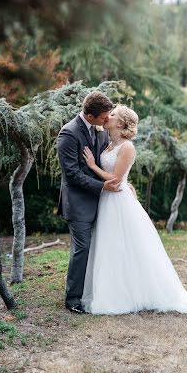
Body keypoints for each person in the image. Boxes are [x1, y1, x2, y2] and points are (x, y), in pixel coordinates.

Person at [81, 104, 187, 315]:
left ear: (120, 123)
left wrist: (93, 166)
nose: (107, 117)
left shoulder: (127, 147)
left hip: (119, 202)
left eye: (112, 114)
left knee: (126, 247)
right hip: (106, 200)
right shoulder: (108, 144)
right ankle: (111, 291)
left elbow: (117, 180)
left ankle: (131, 294)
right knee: (110, 246)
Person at [57, 91, 121, 314]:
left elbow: (105, 165)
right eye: (104, 117)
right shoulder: (68, 134)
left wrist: (121, 181)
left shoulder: (101, 131)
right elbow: (72, 174)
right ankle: (73, 299)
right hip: (78, 203)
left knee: (100, 247)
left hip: (102, 202)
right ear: (90, 115)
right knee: (82, 248)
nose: (107, 120)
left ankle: (92, 292)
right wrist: (102, 186)